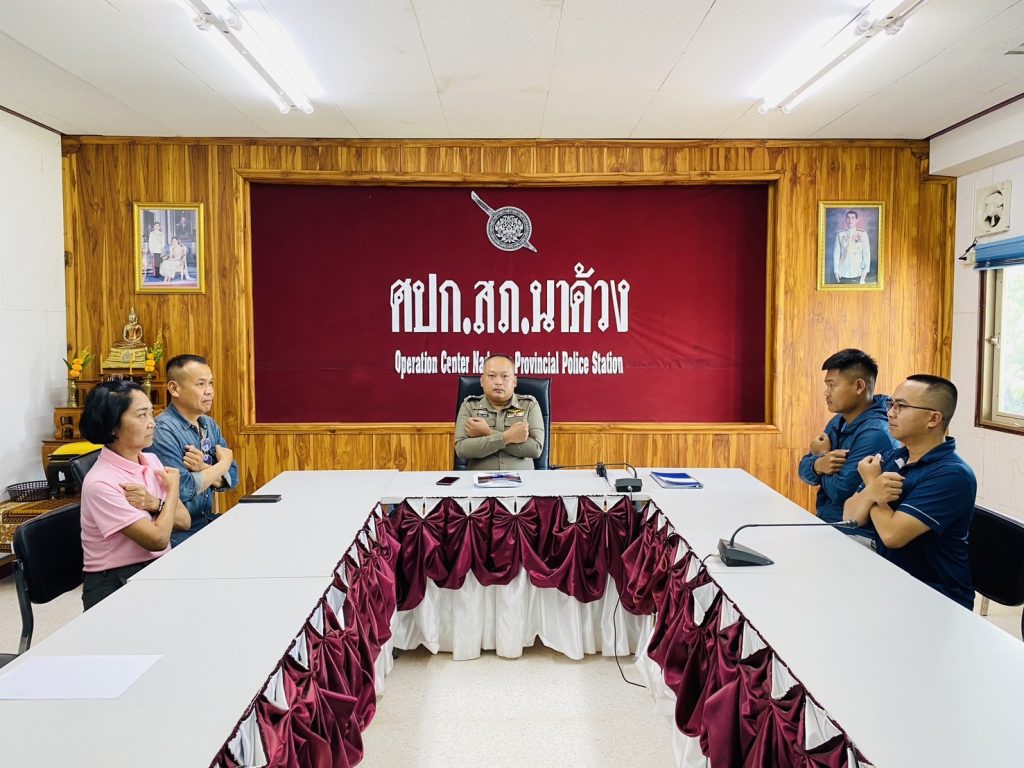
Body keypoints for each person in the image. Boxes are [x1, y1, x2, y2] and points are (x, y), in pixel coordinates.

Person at [843, 375, 976, 608]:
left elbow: (892, 535)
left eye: (901, 406)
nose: (890, 413)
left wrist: (872, 484)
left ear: (933, 419)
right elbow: (849, 516)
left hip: (937, 596)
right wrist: (873, 491)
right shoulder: (895, 457)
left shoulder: (953, 474)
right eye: (891, 404)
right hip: (892, 579)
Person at [79, 379, 191, 609]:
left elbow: (184, 521)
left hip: (156, 566)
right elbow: (158, 540)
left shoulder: (150, 459)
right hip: (115, 582)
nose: (152, 423)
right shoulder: (100, 483)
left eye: (151, 413)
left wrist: (154, 503)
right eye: (141, 415)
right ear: (112, 426)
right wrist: (172, 490)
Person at [798, 349, 897, 546]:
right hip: (829, 524)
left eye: (832, 385)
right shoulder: (839, 420)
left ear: (859, 386)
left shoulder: (875, 433)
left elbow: (841, 492)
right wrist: (818, 464)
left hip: (856, 534)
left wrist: (821, 456)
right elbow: (803, 472)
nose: (826, 392)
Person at [148, 354, 238, 545]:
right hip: (179, 532)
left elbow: (233, 477)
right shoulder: (162, 430)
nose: (209, 391)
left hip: (206, 521)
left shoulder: (209, 424)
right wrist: (222, 464)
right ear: (174, 389)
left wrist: (204, 468)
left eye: (210, 383)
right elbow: (182, 488)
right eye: (200, 384)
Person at [455, 353, 544, 471]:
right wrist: (509, 437)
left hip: (522, 480)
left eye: (505, 376)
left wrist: (487, 432)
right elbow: (462, 449)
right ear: (482, 380)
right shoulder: (469, 406)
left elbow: (535, 449)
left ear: (514, 381)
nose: (498, 382)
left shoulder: (529, 405)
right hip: (480, 479)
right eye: (491, 376)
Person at [832, 210, 871, 284]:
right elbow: (836, 254)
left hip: (858, 272)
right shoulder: (840, 235)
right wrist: (836, 271)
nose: (850, 220)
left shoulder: (863, 234)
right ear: (845, 220)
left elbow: (866, 253)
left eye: (853, 218)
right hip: (843, 272)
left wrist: (866, 270)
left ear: (856, 220)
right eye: (848, 218)